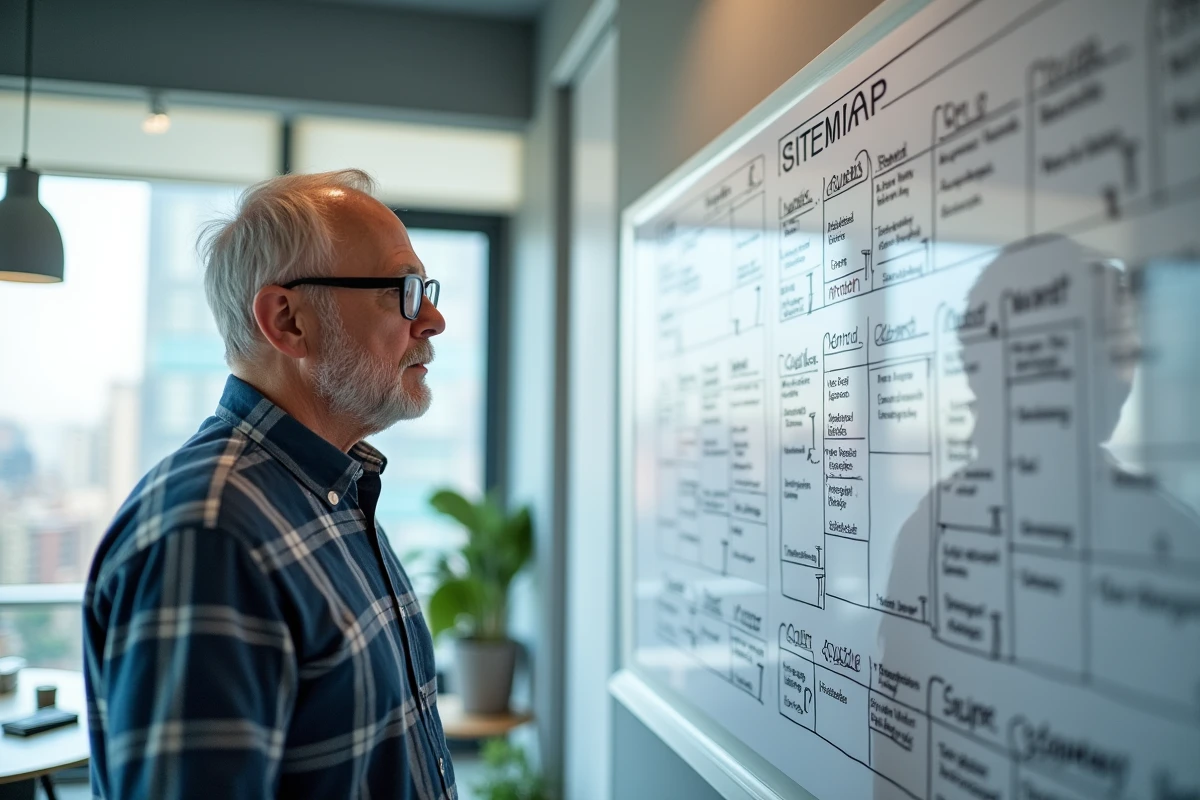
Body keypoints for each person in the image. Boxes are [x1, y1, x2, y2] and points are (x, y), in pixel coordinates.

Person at [82, 170, 457, 799]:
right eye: (406, 290)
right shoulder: (210, 533)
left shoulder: (332, 493)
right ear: (287, 320)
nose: (434, 320)